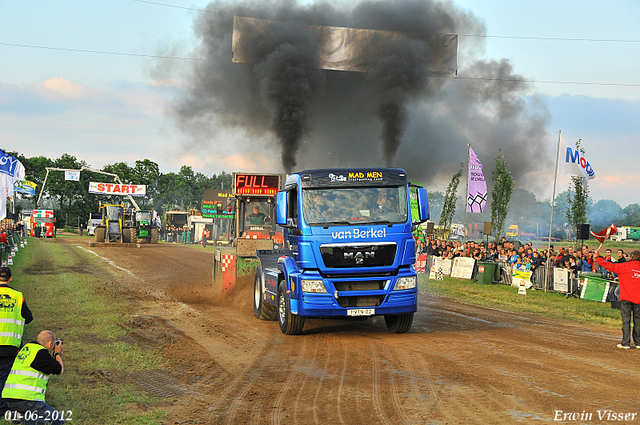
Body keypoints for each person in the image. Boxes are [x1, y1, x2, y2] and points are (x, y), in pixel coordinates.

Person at [2, 330, 64, 424]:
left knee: (41, 417)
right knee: (57, 421)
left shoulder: (27, 349)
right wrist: (57, 353)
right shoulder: (40, 353)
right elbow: (60, 370)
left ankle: (17, 416)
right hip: (26, 399)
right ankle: (18, 417)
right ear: (50, 343)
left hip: (9, 397)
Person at [0, 267, 33, 415]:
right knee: (4, 376)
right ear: (11, 278)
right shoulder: (18, 296)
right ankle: (2, 408)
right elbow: (28, 318)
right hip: (10, 345)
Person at [595, 248, 640, 349]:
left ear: (630, 258)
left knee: (626, 320)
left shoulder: (625, 266)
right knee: (638, 321)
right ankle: (638, 343)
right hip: (638, 299)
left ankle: (626, 343)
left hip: (626, 298)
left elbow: (610, 266)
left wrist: (598, 259)